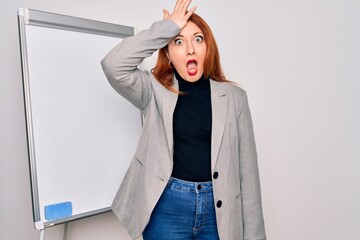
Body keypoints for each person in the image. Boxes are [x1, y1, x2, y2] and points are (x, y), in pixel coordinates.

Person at [101, 0, 266, 239]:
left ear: (208, 47)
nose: (190, 49)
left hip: (219, 210)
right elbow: (113, 65)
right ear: (167, 54)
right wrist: (167, 28)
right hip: (167, 206)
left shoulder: (235, 98)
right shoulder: (153, 90)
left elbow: (248, 177)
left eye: (198, 39)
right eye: (178, 41)